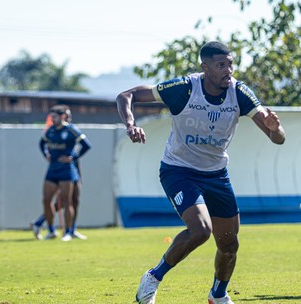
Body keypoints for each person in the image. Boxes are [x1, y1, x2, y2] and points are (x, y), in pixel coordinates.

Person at [116, 41, 285, 304]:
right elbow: (126, 95)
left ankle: (218, 295)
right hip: (179, 170)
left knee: (229, 245)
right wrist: (131, 125)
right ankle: (153, 277)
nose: (228, 70)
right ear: (204, 67)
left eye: (230, 64)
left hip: (216, 174)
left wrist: (275, 128)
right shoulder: (183, 89)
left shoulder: (239, 92)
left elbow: (278, 139)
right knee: (201, 230)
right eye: (221, 65)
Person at [31, 109, 88, 240]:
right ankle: (48, 228)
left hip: (70, 170)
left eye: (69, 116)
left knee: (72, 201)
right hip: (54, 170)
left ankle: (69, 231)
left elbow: (85, 146)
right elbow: (42, 143)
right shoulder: (51, 130)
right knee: (51, 200)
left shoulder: (71, 130)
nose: (69, 118)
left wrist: (73, 157)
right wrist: (46, 154)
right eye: (67, 116)